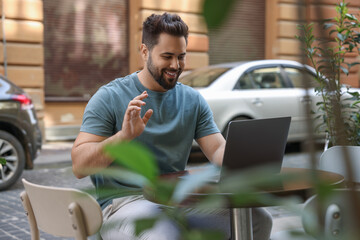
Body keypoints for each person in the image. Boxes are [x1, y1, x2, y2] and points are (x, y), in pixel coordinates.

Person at [71, 12, 272, 240]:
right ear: (145, 51)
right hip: (124, 203)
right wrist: (124, 136)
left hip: (178, 200)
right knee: (165, 235)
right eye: (167, 56)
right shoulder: (109, 97)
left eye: (181, 57)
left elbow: (216, 149)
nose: (175, 65)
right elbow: (79, 166)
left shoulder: (192, 99)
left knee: (257, 219)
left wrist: (245, 160)